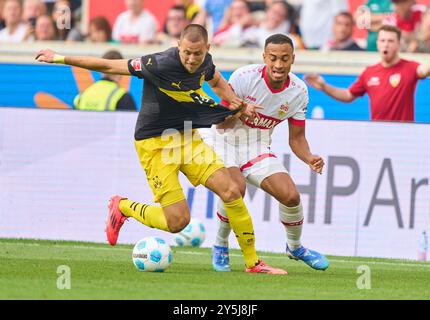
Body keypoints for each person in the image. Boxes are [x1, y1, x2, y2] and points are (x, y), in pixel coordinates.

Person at [35, 24, 288, 275]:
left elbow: (217, 80)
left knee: (232, 190)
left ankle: (253, 263)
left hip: (187, 137)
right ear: (178, 46)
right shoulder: (158, 63)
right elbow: (108, 66)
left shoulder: (205, 62)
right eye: (186, 52)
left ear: (207, 49)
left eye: (197, 53)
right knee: (178, 222)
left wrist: (235, 102)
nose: (191, 59)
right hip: (155, 143)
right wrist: (59, 57)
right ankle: (123, 207)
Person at [204, 34, 329, 272]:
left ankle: (295, 247)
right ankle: (220, 244)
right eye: (273, 58)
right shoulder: (244, 77)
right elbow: (220, 123)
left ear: (293, 59)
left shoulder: (299, 91)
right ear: (264, 57)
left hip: (257, 146)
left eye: (284, 59)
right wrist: (240, 111)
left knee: (291, 195)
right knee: (236, 188)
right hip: (224, 141)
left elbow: (297, 139)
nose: (278, 65)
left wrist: (309, 157)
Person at [304, 25, 430, 122]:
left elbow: (424, 70)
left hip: (404, 134)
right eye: (382, 40)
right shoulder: (370, 72)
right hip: (377, 133)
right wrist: (324, 87)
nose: (386, 45)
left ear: (398, 44)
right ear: (377, 44)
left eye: (390, 41)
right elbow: (348, 95)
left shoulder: (409, 67)